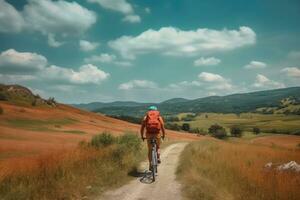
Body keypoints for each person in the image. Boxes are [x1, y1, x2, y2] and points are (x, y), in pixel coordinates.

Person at [140, 105, 165, 170]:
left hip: (149, 134)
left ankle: (150, 163)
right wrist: (163, 135)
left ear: (149, 111)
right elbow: (162, 126)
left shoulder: (146, 117)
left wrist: (142, 136)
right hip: (157, 134)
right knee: (158, 147)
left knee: (150, 149)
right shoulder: (159, 117)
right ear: (156, 111)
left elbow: (142, 128)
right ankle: (158, 157)